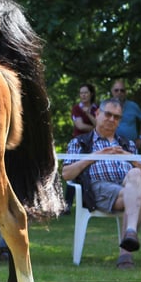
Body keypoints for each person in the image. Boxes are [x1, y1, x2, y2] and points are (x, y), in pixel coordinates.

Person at [62, 97, 141, 269]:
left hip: (128, 186)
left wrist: (130, 158)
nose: (112, 119)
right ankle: (126, 252)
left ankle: (129, 234)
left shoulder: (127, 143)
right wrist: (94, 156)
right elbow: (66, 174)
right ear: (97, 113)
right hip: (99, 188)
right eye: (108, 114)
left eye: (116, 117)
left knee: (136, 173)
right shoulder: (79, 142)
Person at [65, 83, 99, 212]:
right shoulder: (76, 108)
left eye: (86, 92)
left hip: (93, 143)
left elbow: (100, 124)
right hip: (78, 143)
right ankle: (67, 204)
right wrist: (95, 129)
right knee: (72, 172)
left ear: (91, 94)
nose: (83, 95)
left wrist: (89, 114)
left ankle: (88, 203)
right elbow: (80, 126)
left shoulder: (97, 109)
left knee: (90, 172)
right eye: (81, 93)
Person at [109, 79, 141, 149]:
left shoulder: (133, 106)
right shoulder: (106, 106)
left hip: (131, 146)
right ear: (112, 91)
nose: (119, 92)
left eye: (122, 90)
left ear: (125, 92)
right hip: (111, 146)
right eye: (116, 90)